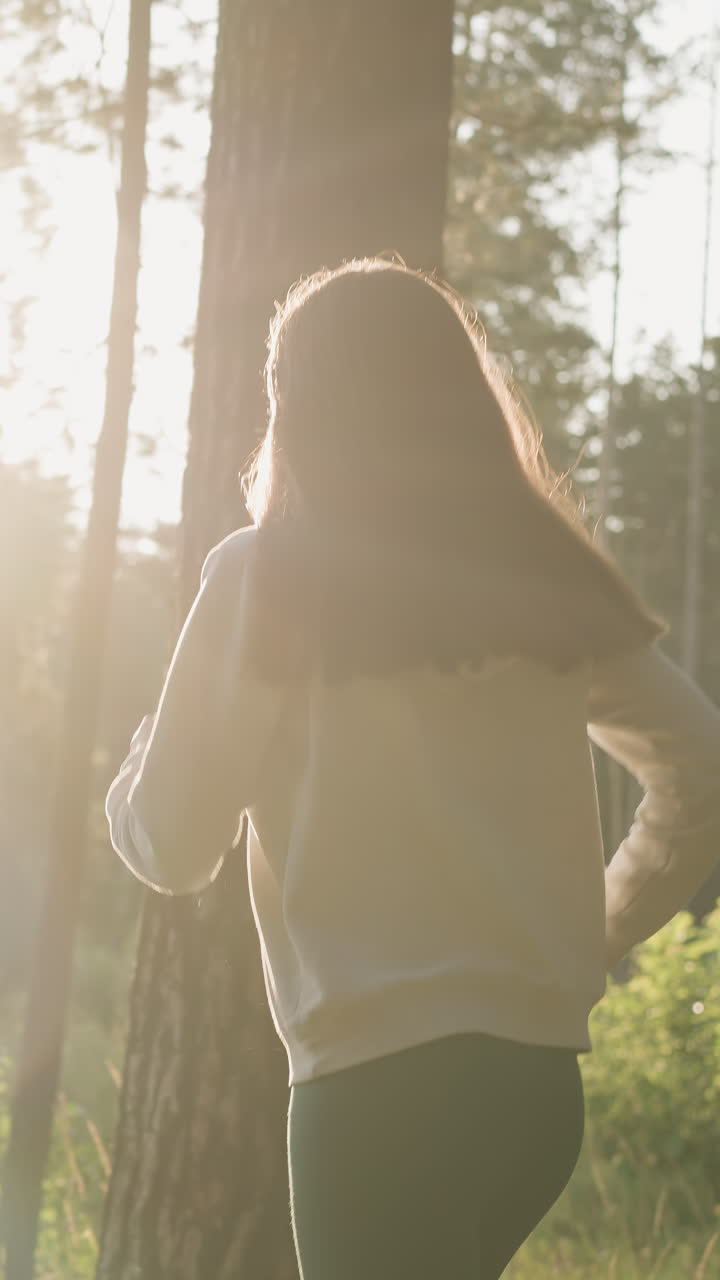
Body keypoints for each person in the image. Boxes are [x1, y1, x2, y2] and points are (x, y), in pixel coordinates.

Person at [106, 258, 720, 1279]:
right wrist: (589, 934)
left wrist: (131, 768)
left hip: (375, 1093)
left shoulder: (265, 575)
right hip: (534, 1088)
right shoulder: (537, 579)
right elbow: (702, 769)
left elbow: (171, 845)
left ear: (295, 405)